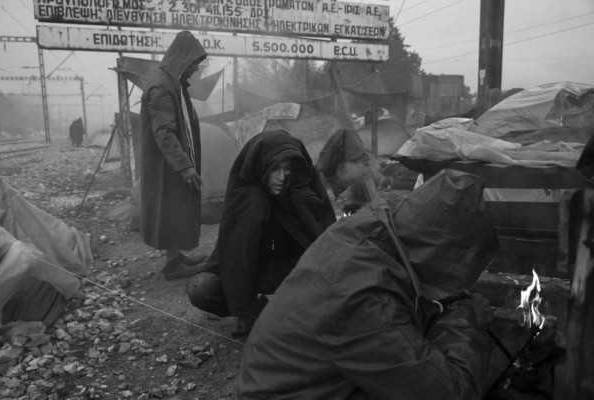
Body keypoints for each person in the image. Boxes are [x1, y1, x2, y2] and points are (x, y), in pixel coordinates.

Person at [237, 169, 499, 399]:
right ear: (443, 253)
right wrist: (466, 322)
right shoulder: (366, 302)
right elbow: (451, 394)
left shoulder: (368, 228)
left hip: (290, 380)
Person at [186, 130, 336, 336]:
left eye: (287, 169)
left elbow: (324, 242)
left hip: (293, 269)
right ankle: (258, 310)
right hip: (254, 272)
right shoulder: (246, 199)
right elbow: (234, 257)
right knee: (201, 289)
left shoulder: (299, 193)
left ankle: (294, 308)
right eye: (275, 169)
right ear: (261, 166)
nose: (282, 177)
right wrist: (244, 308)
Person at [139, 31, 207, 280]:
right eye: (194, 64)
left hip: (170, 164)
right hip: (165, 166)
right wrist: (184, 165)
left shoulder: (171, 82)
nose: (195, 71)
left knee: (176, 209)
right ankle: (172, 267)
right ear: (183, 59)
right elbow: (164, 133)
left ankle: (175, 257)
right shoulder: (162, 87)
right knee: (169, 209)